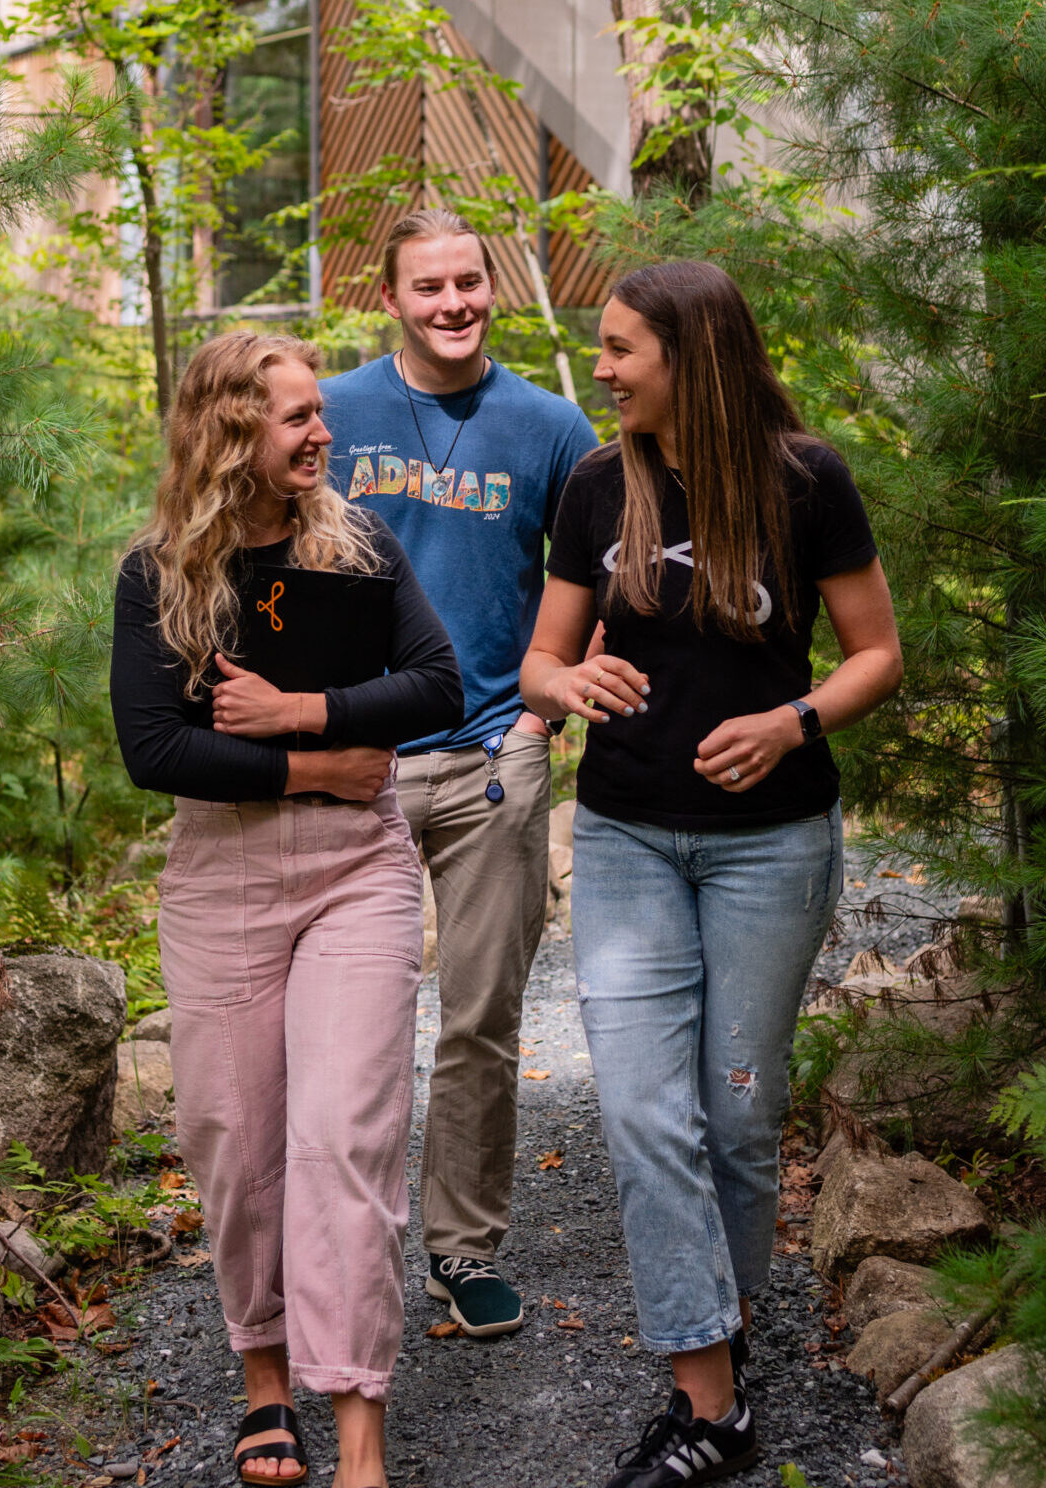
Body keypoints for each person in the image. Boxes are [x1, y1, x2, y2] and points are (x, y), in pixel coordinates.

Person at [520, 261, 903, 1488]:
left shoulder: (806, 480)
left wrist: (791, 722)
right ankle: (707, 1399)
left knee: (738, 1118)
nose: (606, 368)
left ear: (692, 353)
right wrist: (568, 689)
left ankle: (716, 1354)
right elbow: (540, 662)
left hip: (769, 846)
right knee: (643, 1111)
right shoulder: (593, 486)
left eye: (624, 348)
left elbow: (875, 655)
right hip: (627, 836)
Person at [112, 331, 463, 1488]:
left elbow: (437, 684)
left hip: (355, 872)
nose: (322, 436)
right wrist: (309, 761)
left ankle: (361, 1445)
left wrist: (304, 710)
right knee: (235, 1139)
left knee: (346, 1132)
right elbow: (152, 748)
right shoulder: (158, 573)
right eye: (297, 421)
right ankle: (263, 1367)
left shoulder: (356, 542)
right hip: (218, 880)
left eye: (320, 415)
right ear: (227, 436)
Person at [289, 209, 598, 1337]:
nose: (454, 303)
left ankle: (463, 1253)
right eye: (430, 287)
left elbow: (599, 590)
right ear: (392, 298)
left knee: (478, 1020)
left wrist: (537, 721)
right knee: (350, 1029)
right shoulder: (334, 408)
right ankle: (338, 1247)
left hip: (489, 764)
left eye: (469, 281)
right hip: (352, 763)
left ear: (492, 286)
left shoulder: (552, 426)